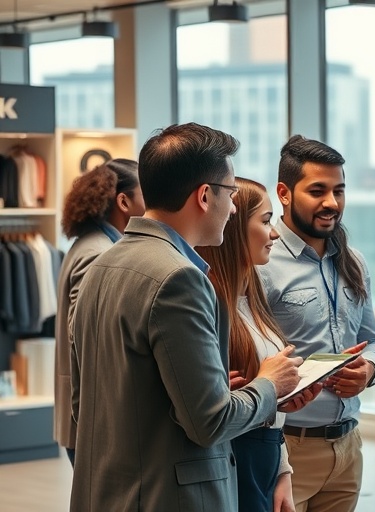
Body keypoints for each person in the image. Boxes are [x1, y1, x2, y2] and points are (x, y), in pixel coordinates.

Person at [69, 123, 304, 512]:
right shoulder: (180, 279)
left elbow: (92, 402)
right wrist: (268, 384)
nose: (232, 208)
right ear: (205, 195)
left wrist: (212, 390)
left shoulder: (102, 264)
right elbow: (209, 423)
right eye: (230, 195)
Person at [258, 135, 375, 512]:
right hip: (286, 446)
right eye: (318, 191)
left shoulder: (353, 261)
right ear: (284, 192)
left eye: (339, 191)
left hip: (347, 448)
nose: (332, 203)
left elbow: (374, 340)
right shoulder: (262, 262)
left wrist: (369, 371)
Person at [196, 177, 323, 512]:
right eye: (266, 221)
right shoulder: (208, 306)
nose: (276, 233)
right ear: (235, 227)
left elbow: (256, 397)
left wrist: (282, 469)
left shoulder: (251, 297)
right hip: (236, 458)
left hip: (265, 453)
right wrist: (267, 390)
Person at [55, 158, 145, 466]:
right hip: (94, 420)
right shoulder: (100, 253)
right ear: (124, 201)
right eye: (145, 193)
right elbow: (82, 336)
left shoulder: (90, 244)